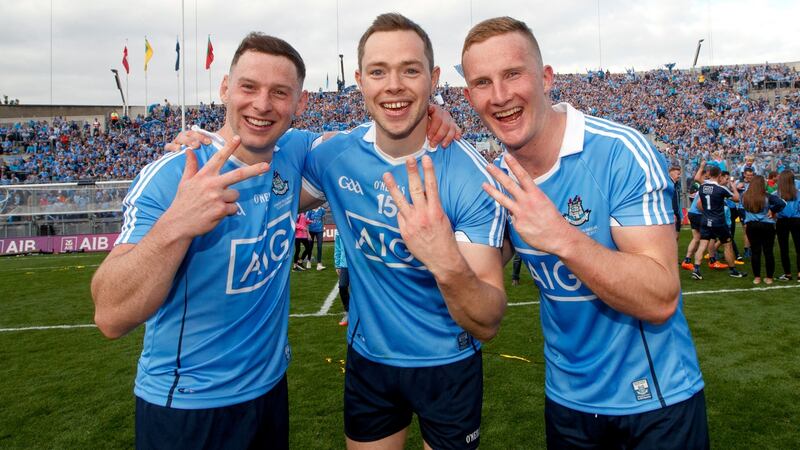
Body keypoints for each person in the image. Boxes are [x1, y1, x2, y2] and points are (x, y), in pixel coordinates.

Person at [461, 16, 709, 449]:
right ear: (469, 97)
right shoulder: (497, 177)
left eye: (512, 74)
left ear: (546, 77)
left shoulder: (620, 152)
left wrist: (561, 236)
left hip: (655, 402)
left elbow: (660, 296)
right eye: (482, 82)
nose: (499, 96)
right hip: (567, 402)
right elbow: (474, 275)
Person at [91, 33, 315, 449]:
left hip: (268, 393)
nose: (262, 105)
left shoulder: (296, 153)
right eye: (249, 87)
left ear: (299, 104)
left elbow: (373, 143)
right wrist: (177, 223)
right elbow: (109, 315)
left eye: (280, 93)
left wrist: (433, 114)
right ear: (226, 87)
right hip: (187, 407)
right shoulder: (172, 175)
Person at [302, 13, 507, 449]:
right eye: (378, 71)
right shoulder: (333, 155)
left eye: (410, 70)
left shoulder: (471, 176)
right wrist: (203, 140)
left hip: (448, 363)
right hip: (368, 361)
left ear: (432, 78)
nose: (393, 85)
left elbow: (488, 320)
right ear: (360, 81)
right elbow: (264, 163)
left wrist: (444, 258)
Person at [692, 165, 746, 280]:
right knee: (727, 245)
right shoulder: (721, 188)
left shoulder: (702, 186)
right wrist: (733, 187)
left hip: (705, 219)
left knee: (702, 245)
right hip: (718, 221)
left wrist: (701, 167)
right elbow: (736, 199)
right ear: (719, 175)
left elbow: (697, 177)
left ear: (709, 174)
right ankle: (733, 270)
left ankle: (696, 269)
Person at [741, 175, 786, 284]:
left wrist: (747, 219)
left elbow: (741, 209)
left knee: (755, 252)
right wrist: (773, 210)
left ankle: (757, 277)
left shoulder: (745, 196)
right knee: (768, 252)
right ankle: (769, 278)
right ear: (762, 185)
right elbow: (782, 203)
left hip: (752, 226)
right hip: (767, 226)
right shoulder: (768, 196)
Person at [775, 170, 800, 281]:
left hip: (783, 221)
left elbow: (773, 207)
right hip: (796, 220)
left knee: (784, 248)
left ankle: (788, 273)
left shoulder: (777, 193)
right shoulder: (797, 191)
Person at [333, 229, 350, 326]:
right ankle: (348, 311)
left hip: (359, 264)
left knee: (360, 290)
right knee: (342, 286)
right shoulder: (339, 228)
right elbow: (338, 247)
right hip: (345, 264)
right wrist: (337, 264)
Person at [307, 205, 327, 270]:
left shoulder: (322, 209)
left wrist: (323, 226)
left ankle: (319, 263)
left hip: (320, 231)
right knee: (310, 246)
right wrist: (308, 233)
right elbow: (306, 222)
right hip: (311, 230)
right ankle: (308, 261)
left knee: (319, 246)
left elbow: (324, 218)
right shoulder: (309, 210)